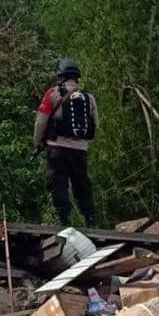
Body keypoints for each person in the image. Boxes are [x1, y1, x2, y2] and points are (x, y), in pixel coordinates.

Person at [34, 58, 98, 226]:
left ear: (61, 76)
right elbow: (96, 122)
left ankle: (64, 219)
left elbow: (40, 122)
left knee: (58, 184)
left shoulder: (52, 94)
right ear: (76, 78)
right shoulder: (89, 98)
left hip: (57, 148)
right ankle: (90, 218)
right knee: (81, 184)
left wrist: (38, 142)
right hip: (80, 150)